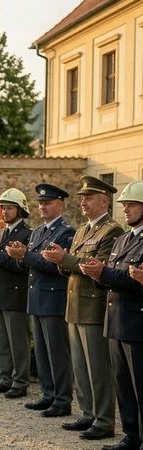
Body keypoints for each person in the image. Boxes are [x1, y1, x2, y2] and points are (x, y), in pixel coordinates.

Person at [40, 176, 121, 438]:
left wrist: (65, 259)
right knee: (80, 368)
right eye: (82, 198)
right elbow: (73, 266)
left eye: (88, 198)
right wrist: (60, 260)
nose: (83, 202)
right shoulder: (82, 230)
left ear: (104, 201)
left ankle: (103, 420)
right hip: (74, 306)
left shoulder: (111, 231)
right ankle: (87, 414)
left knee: (98, 369)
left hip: (93, 308)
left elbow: (97, 267)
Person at [79, 180, 143, 450]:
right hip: (116, 321)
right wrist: (98, 274)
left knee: (140, 387)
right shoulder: (123, 239)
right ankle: (131, 436)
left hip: (137, 324)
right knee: (123, 385)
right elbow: (115, 275)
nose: (125, 209)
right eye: (124, 205)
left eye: (132, 204)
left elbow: (134, 279)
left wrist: (104, 273)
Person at [5, 183, 75, 418]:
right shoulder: (37, 232)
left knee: (57, 353)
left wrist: (25, 255)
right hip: (36, 298)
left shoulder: (65, 232)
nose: (42, 207)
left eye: (48, 203)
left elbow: (55, 265)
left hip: (53, 299)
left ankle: (62, 399)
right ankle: (48, 394)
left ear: (60, 205)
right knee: (43, 353)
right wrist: (19, 255)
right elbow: (31, 263)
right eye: (40, 203)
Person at [0, 189, 33, 399]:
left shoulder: (27, 234)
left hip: (16, 295)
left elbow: (18, 265)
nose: (5, 212)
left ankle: (20, 382)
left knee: (18, 343)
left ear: (20, 210)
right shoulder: (1, 233)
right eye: (3, 208)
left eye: (9, 208)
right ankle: (5, 379)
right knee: (2, 342)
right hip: (1, 295)